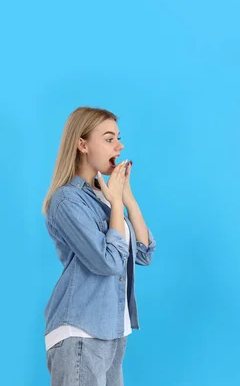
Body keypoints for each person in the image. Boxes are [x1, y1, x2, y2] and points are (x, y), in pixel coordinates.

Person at [42, 107, 156, 386]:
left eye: (118, 137)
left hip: (113, 330)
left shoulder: (103, 197)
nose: (119, 145)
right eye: (108, 139)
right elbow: (108, 262)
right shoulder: (67, 201)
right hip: (81, 330)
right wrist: (116, 202)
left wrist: (126, 199)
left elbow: (143, 253)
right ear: (82, 144)